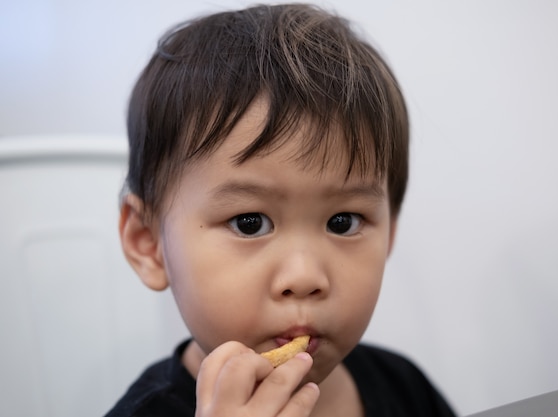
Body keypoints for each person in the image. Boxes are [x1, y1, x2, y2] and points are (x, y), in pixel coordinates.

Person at [107, 3, 455, 416]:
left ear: (389, 234)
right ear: (149, 243)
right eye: (249, 223)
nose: (305, 277)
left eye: (342, 223)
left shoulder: (402, 385)